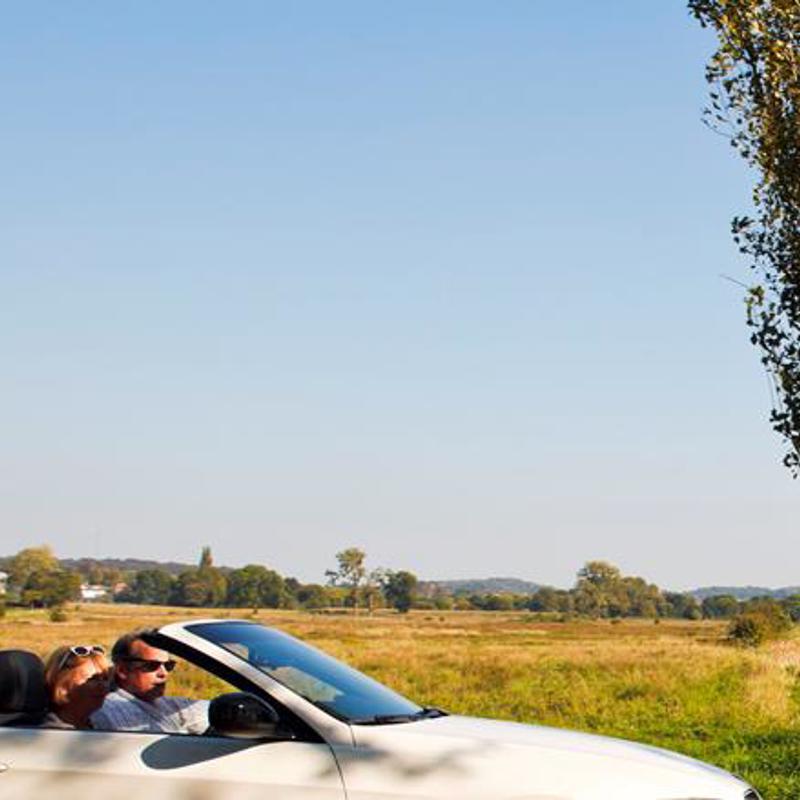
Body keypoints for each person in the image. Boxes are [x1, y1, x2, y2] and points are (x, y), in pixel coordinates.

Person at [91, 629, 208, 733]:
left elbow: (208, 710)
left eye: (168, 665)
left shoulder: (165, 703)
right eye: (152, 666)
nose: (163, 673)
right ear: (123, 671)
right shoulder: (110, 711)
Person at [43, 645, 110, 729]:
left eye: (105, 678)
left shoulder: (100, 724)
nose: (102, 685)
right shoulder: (48, 733)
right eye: (92, 679)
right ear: (62, 683)